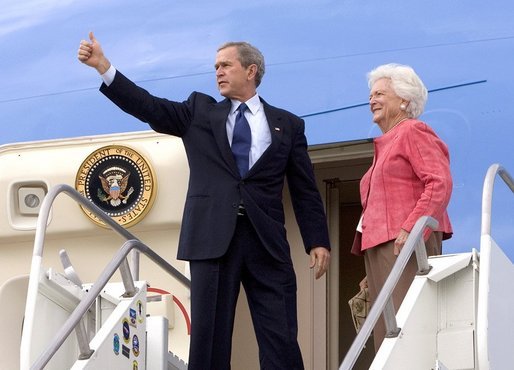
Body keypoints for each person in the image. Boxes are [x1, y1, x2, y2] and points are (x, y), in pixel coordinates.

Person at [78, 32, 331, 369]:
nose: (218, 72)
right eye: (216, 67)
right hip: (211, 239)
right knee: (209, 339)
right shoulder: (198, 111)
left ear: (251, 70)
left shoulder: (288, 124)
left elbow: (305, 189)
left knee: (280, 334)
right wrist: (104, 68)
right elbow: (149, 106)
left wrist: (318, 241)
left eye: (226, 65)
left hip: (266, 242)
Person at [351, 63, 453, 351]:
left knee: (406, 329)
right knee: (387, 334)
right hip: (384, 246)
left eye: (381, 93)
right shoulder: (387, 141)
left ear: (404, 100)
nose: (372, 99)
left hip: (405, 242)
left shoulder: (413, 131)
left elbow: (439, 182)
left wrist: (412, 228)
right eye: (371, 94)